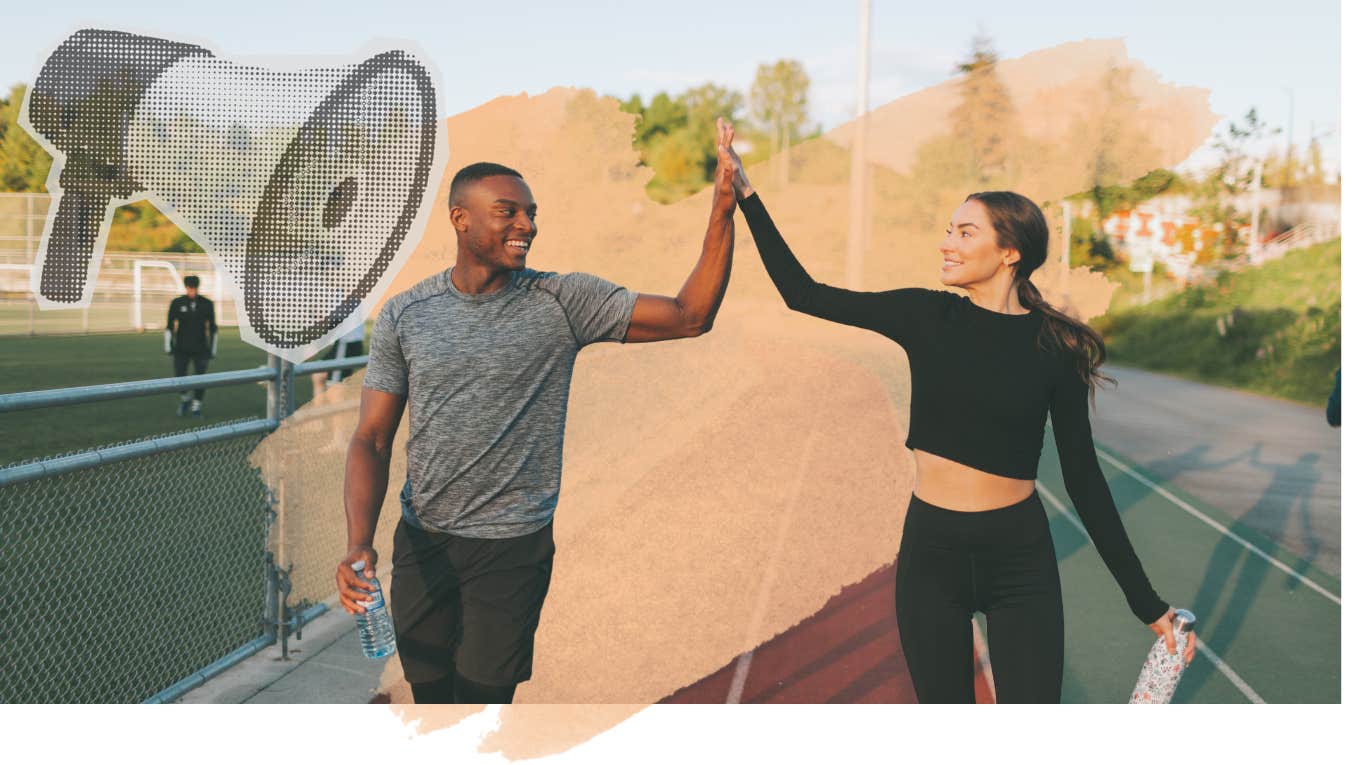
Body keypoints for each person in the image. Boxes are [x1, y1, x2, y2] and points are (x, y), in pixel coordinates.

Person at [725, 148, 1194, 703]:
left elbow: (1084, 480)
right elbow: (802, 294)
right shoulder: (926, 315)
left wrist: (1145, 602)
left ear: (1009, 251)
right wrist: (747, 196)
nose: (947, 243)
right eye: (949, 230)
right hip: (932, 556)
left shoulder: (1056, 347)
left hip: (1020, 559)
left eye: (965, 233)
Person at [335, 119, 740, 704]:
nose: (527, 225)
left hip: (511, 550)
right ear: (460, 219)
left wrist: (722, 207)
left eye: (530, 212)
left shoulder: (563, 301)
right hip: (422, 544)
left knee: (480, 706)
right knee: (427, 698)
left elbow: (689, 314)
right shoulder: (406, 314)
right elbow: (371, 439)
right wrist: (358, 542)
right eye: (508, 212)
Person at [165, 274, 218, 417]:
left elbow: (213, 327)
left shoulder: (207, 303)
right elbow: (170, 325)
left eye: (194, 288)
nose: (192, 290)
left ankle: (196, 407)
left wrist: (213, 349)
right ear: (186, 287)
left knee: (200, 378)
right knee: (179, 376)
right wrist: (168, 346)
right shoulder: (177, 302)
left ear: (197, 287)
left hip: (201, 348)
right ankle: (185, 398)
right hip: (181, 348)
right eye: (189, 288)